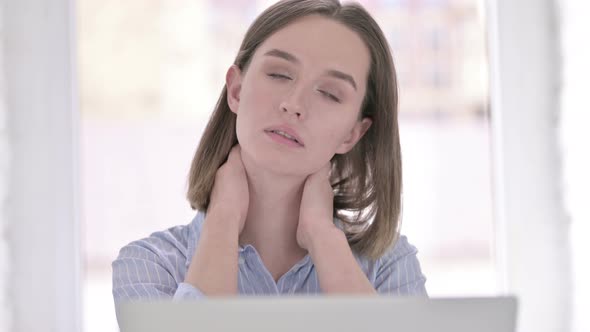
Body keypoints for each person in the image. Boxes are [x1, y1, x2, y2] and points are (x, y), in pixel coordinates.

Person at [112, 0, 427, 306]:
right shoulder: (148, 267)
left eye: (330, 93)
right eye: (279, 74)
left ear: (352, 134)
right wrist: (222, 221)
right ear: (236, 91)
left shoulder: (389, 268)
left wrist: (323, 237)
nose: (294, 104)